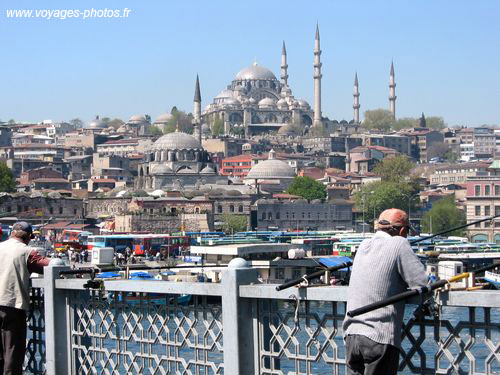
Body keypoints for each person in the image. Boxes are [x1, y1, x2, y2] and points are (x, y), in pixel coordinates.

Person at [343, 209, 428, 375]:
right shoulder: (399, 243)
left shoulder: (363, 246)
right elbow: (421, 284)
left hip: (352, 333)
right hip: (379, 335)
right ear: (402, 230)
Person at [0, 222, 51, 375]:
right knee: (12, 350)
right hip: (11, 306)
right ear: (29, 237)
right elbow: (49, 265)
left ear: (11, 234)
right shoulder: (26, 251)